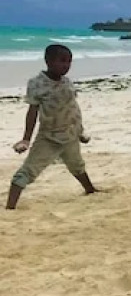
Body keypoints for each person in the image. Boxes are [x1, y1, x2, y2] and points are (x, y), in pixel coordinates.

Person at [7, 44, 99, 209]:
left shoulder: (67, 82)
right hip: (49, 137)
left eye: (69, 62)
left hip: (70, 134)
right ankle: (10, 207)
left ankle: (90, 190)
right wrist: (26, 139)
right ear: (48, 61)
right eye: (62, 61)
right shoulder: (37, 83)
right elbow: (32, 111)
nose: (66, 65)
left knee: (77, 165)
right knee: (28, 170)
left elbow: (73, 109)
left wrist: (80, 132)